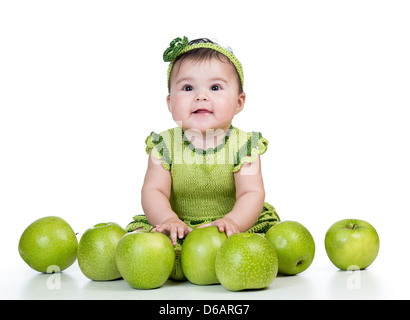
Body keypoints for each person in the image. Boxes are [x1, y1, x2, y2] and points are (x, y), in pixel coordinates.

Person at [126, 36, 279, 279]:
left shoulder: (245, 146)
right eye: (188, 88)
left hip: (233, 224)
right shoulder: (164, 145)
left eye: (215, 87)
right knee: (147, 244)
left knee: (263, 246)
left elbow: (252, 193)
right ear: (169, 102)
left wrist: (233, 222)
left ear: (239, 102)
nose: (201, 96)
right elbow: (154, 190)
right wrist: (167, 219)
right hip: (179, 223)